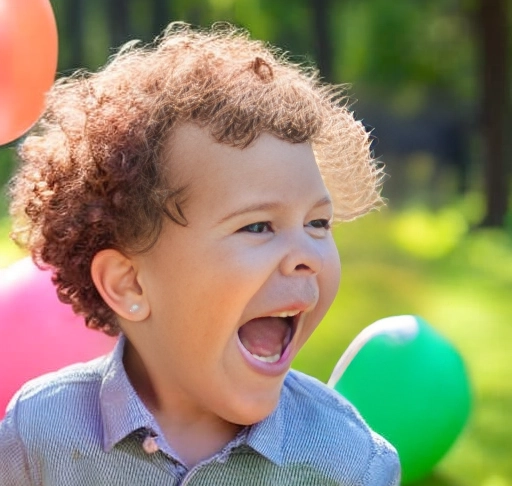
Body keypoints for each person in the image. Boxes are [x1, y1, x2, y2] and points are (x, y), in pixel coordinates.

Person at [0, 22, 400, 485]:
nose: (305, 255)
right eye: (258, 226)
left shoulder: (350, 464)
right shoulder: (39, 435)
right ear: (130, 283)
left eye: (317, 223)